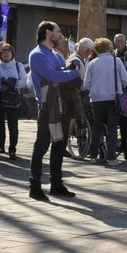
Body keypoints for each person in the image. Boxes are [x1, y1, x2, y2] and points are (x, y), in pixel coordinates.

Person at [28, 21, 83, 202]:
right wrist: (73, 74)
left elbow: (60, 76)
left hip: (62, 106)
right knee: (41, 147)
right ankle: (34, 187)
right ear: (47, 32)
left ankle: (56, 184)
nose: (60, 34)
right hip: (47, 107)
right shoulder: (37, 54)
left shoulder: (55, 54)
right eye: (58, 31)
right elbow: (53, 77)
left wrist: (63, 76)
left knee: (59, 146)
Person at [84, 37, 127, 164]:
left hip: (96, 99)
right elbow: (126, 80)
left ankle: (93, 155)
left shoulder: (92, 63)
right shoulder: (117, 61)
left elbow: (86, 83)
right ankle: (111, 157)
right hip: (113, 98)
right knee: (112, 127)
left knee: (97, 126)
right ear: (110, 48)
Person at [0, 41, 29, 159]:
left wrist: (11, 84)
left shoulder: (18, 66)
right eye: (3, 51)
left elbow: (24, 82)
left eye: (8, 50)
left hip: (13, 99)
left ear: (12, 53)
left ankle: (12, 150)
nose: (6, 53)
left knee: (13, 126)